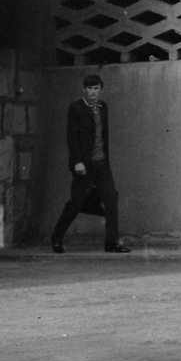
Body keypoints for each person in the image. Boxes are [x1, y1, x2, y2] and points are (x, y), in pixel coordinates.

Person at [51, 74, 130, 253]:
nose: (93, 92)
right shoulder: (76, 108)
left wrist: (105, 159)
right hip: (84, 164)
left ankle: (112, 243)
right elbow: (72, 137)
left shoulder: (103, 107)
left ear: (101, 90)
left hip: (102, 163)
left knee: (111, 199)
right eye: (90, 89)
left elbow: (103, 135)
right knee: (76, 202)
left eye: (96, 89)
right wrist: (78, 162)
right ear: (84, 90)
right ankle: (56, 237)